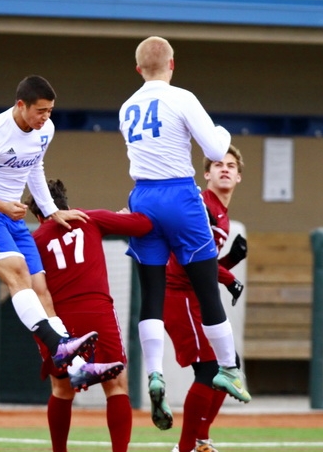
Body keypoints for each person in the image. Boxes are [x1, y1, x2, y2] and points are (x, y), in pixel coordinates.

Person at [117, 36, 250, 432]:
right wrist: (221, 131)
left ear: (138, 69)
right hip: (178, 193)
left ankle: (154, 373)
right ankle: (228, 369)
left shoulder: (126, 106)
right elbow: (215, 149)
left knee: (150, 294)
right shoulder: (182, 97)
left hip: (142, 196)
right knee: (207, 290)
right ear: (172, 64)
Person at [0, 75, 102, 379]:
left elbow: (36, 167)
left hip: (13, 218)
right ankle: (59, 345)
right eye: (40, 111)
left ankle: (77, 368)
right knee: (19, 271)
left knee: (41, 290)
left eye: (50, 110)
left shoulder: (45, 129)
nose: (45, 117)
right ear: (21, 105)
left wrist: (51, 211)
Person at [25, 179, 153, 452]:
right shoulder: (89, 218)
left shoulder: (33, 240)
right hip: (96, 310)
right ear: (66, 202)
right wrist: (125, 215)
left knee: (61, 389)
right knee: (116, 385)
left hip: (58, 318)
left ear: (37, 214)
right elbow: (143, 225)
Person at [167, 146, 248, 452]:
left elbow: (204, 265)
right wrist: (229, 277)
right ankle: (186, 447)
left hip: (195, 294)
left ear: (238, 177)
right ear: (206, 174)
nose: (225, 168)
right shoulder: (202, 205)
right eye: (218, 164)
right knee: (211, 369)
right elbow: (189, 257)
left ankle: (201, 439)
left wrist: (229, 262)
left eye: (231, 165)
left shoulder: (221, 213)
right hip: (179, 293)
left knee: (229, 363)